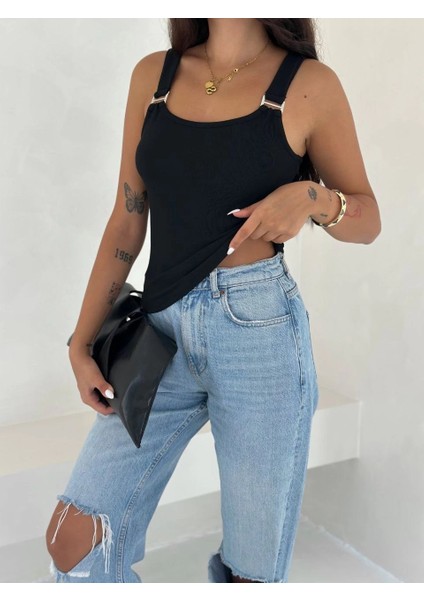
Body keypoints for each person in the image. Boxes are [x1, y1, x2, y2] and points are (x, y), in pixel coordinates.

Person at [45, 18, 381, 583]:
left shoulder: (309, 85)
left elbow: (367, 220)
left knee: (250, 575)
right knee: (73, 540)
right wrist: (80, 343)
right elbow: (127, 220)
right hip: (159, 333)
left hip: (259, 335)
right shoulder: (153, 77)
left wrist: (313, 198)